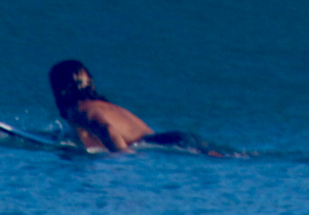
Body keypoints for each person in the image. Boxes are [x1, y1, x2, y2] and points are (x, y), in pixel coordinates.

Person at [48, 60, 199, 153]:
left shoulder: (79, 110)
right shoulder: (102, 105)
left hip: (169, 143)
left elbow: (107, 129)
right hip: (174, 138)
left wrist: (123, 156)